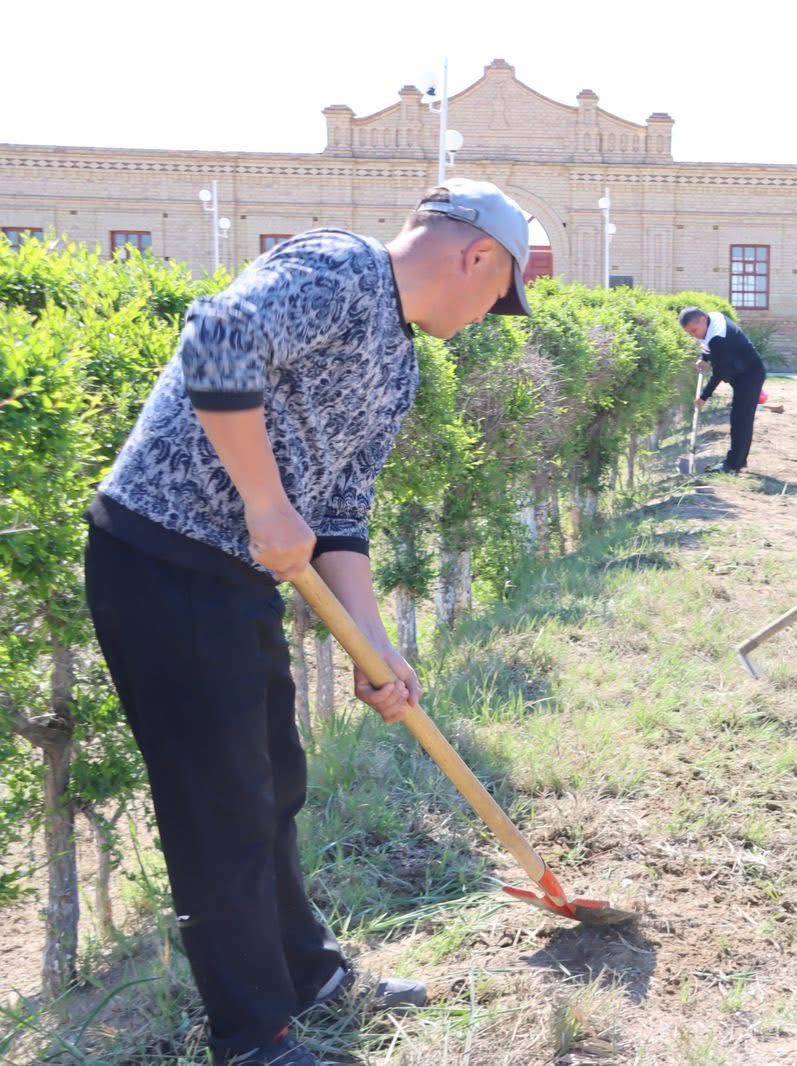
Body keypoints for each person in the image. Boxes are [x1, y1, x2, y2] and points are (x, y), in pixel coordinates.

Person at [84, 178, 537, 1065]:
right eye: (499, 295)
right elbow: (214, 337)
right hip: (158, 560)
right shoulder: (338, 269)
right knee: (221, 810)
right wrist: (262, 500)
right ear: (475, 255)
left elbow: (337, 518)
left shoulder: (401, 364)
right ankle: (255, 1041)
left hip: (233, 576)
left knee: (275, 785)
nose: (493, 314)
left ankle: (308, 975)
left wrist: (372, 650)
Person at [679, 306, 767, 474]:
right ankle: (738, 461)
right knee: (740, 419)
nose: (694, 335)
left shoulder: (717, 337)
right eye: (690, 333)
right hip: (741, 372)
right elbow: (708, 346)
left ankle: (733, 465)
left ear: (703, 320)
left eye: (694, 330)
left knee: (740, 421)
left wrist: (704, 396)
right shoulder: (713, 318)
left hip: (749, 376)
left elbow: (720, 372)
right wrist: (704, 357)